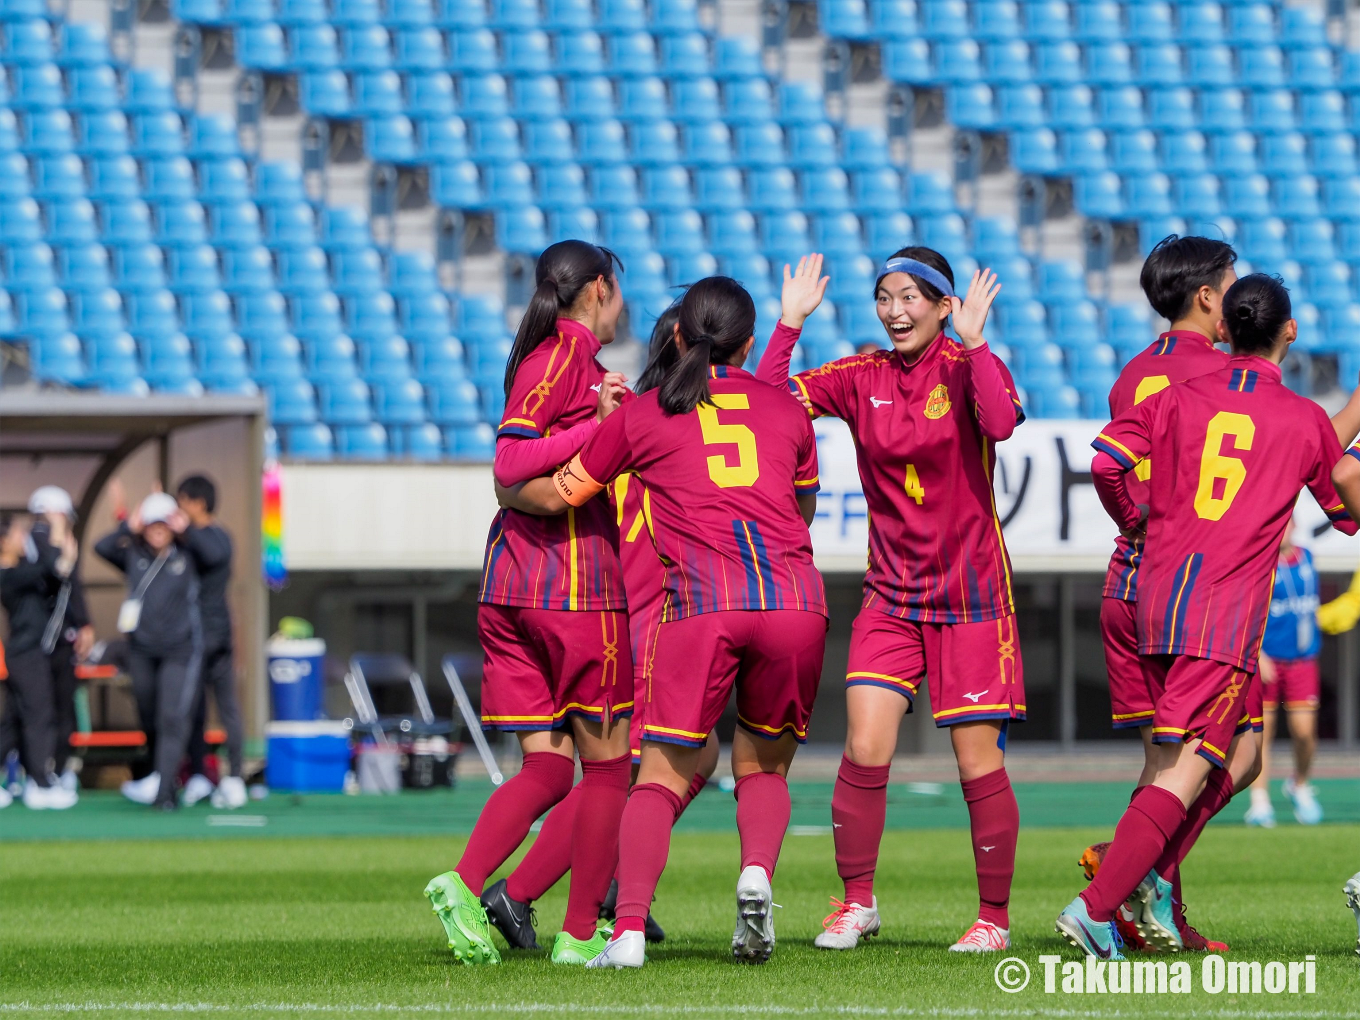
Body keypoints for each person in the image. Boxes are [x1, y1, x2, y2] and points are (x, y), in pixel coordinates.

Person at [510, 275, 827, 969]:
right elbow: (799, 507)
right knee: (763, 769)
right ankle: (756, 876)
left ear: (680, 335)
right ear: (746, 343)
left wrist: (511, 487)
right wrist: (791, 325)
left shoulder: (644, 413)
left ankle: (623, 932)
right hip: (796, 602)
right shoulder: (787, 410)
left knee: (655, 776)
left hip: (701, 606)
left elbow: (567, 491)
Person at [1061, 273, 1360, 958]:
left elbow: (1106, 464)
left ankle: (1146, 879)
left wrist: (1138, 521)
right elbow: (1344, 512)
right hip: (1222, 611)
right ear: (1289, 332)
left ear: (1228, 327)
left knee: (1239, 752)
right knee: (1189, 766)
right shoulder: (1302, 418)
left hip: (1157, 596)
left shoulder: (1176, 396)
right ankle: (1101, 900)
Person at [757, 247, 1026, 952]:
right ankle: (857, 904)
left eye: (911, 297)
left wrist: (977, 341)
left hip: (972, 600)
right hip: (891, 597)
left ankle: (993, 919)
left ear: (943, 306)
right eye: (885, 296)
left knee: (977, 766)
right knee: (865, 748)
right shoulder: (860, 375)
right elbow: (764, 403)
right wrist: (788, 326)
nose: (895, 310)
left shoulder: (970, 368)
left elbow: (1000, 423)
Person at [424, 239, 634, 967]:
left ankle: (466, 881)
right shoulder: (565, 358)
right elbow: (511, 460)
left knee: (547, 771)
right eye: (619, 288)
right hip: (574, 595)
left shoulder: (559, 362)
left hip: (513, 589)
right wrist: (597, 427)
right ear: (600, 288)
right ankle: (579, 936)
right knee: (612, 769)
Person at [1081, 235, 1238, 953]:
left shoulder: (1133, 372)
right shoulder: (1224, 377)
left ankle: (1133, 891)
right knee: (1231, 756)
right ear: (1208, 296)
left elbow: (1112, 464)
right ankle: (1124, 891)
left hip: (1128, 578)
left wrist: (1134, 523)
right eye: (1230, 283)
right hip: (1198, 590)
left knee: (1162, 759)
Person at [95, 491, 203, 811]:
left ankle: (165, 790)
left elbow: (217, 553)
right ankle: (160, 774)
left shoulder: (187, 554)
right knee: (150, 715)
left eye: (163, 524)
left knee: (172, 716)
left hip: (179, 650)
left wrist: (187, 528)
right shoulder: (134, 554)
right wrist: (129, 525)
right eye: (152, 524)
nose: (158, 529)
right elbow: (101, 547)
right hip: (141, 651)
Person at [1245, 518, 1324, 828]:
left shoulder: (1307, 558)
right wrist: (1258, 652)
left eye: (1288, 525)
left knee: (1304, 732)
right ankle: (1260, 801)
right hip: (1267, 661)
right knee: (1263, 734)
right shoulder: (1259, 566)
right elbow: (1247, 612)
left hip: (1303, 660)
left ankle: (1299, 784)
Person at [175, 474, 247, 811]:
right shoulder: (193, 539)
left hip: (213, 633)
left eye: (182, 502)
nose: (179, 510)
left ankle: (234, 777)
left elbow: (211, 555)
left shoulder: (215, 536)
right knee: (193, 710)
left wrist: (183, 530)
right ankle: (200, 774)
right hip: (195, 634)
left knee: (227, 707)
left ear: (198, 504)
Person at [0, 510, 79, 809]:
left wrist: (65, 562)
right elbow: (45, 567)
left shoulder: (22, 570)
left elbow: (53, 578)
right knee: (39, 716)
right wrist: (56, 534)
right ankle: (40, 783)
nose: (25, 540)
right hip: (25, 654)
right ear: (3, 541)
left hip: (28, 653)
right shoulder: (9, 573)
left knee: (12, 722)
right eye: (18, 535)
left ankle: (35, 781)